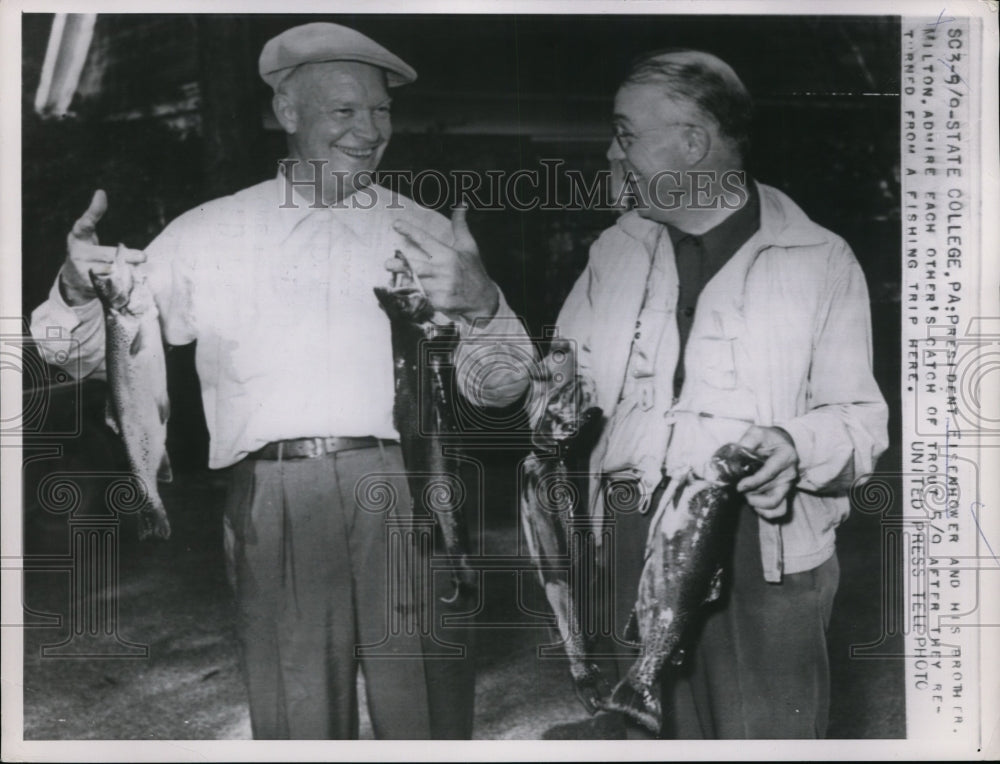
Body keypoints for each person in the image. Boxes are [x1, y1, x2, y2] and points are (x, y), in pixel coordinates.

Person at [29, 22, 502, 740]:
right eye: (344, 112)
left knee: (428, 709)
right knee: (296, 712)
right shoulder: (208, 233)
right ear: (287, 113)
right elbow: (90, 357)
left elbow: (504, 386)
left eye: (381, 111)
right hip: (275, 494)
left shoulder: (429, 231)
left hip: (411, 489)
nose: (369, 131)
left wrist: (486, 302)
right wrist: (72, 286)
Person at [410, 49, 890, 738]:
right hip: (632, 537)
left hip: (769, 551)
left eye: (627, 134)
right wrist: (485, 312)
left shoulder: (819, 258)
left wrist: (795, 444)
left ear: (693, 142)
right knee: (647, 738)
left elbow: (860, 423)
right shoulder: (616, 250)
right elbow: (539, 394)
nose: (613, 151)